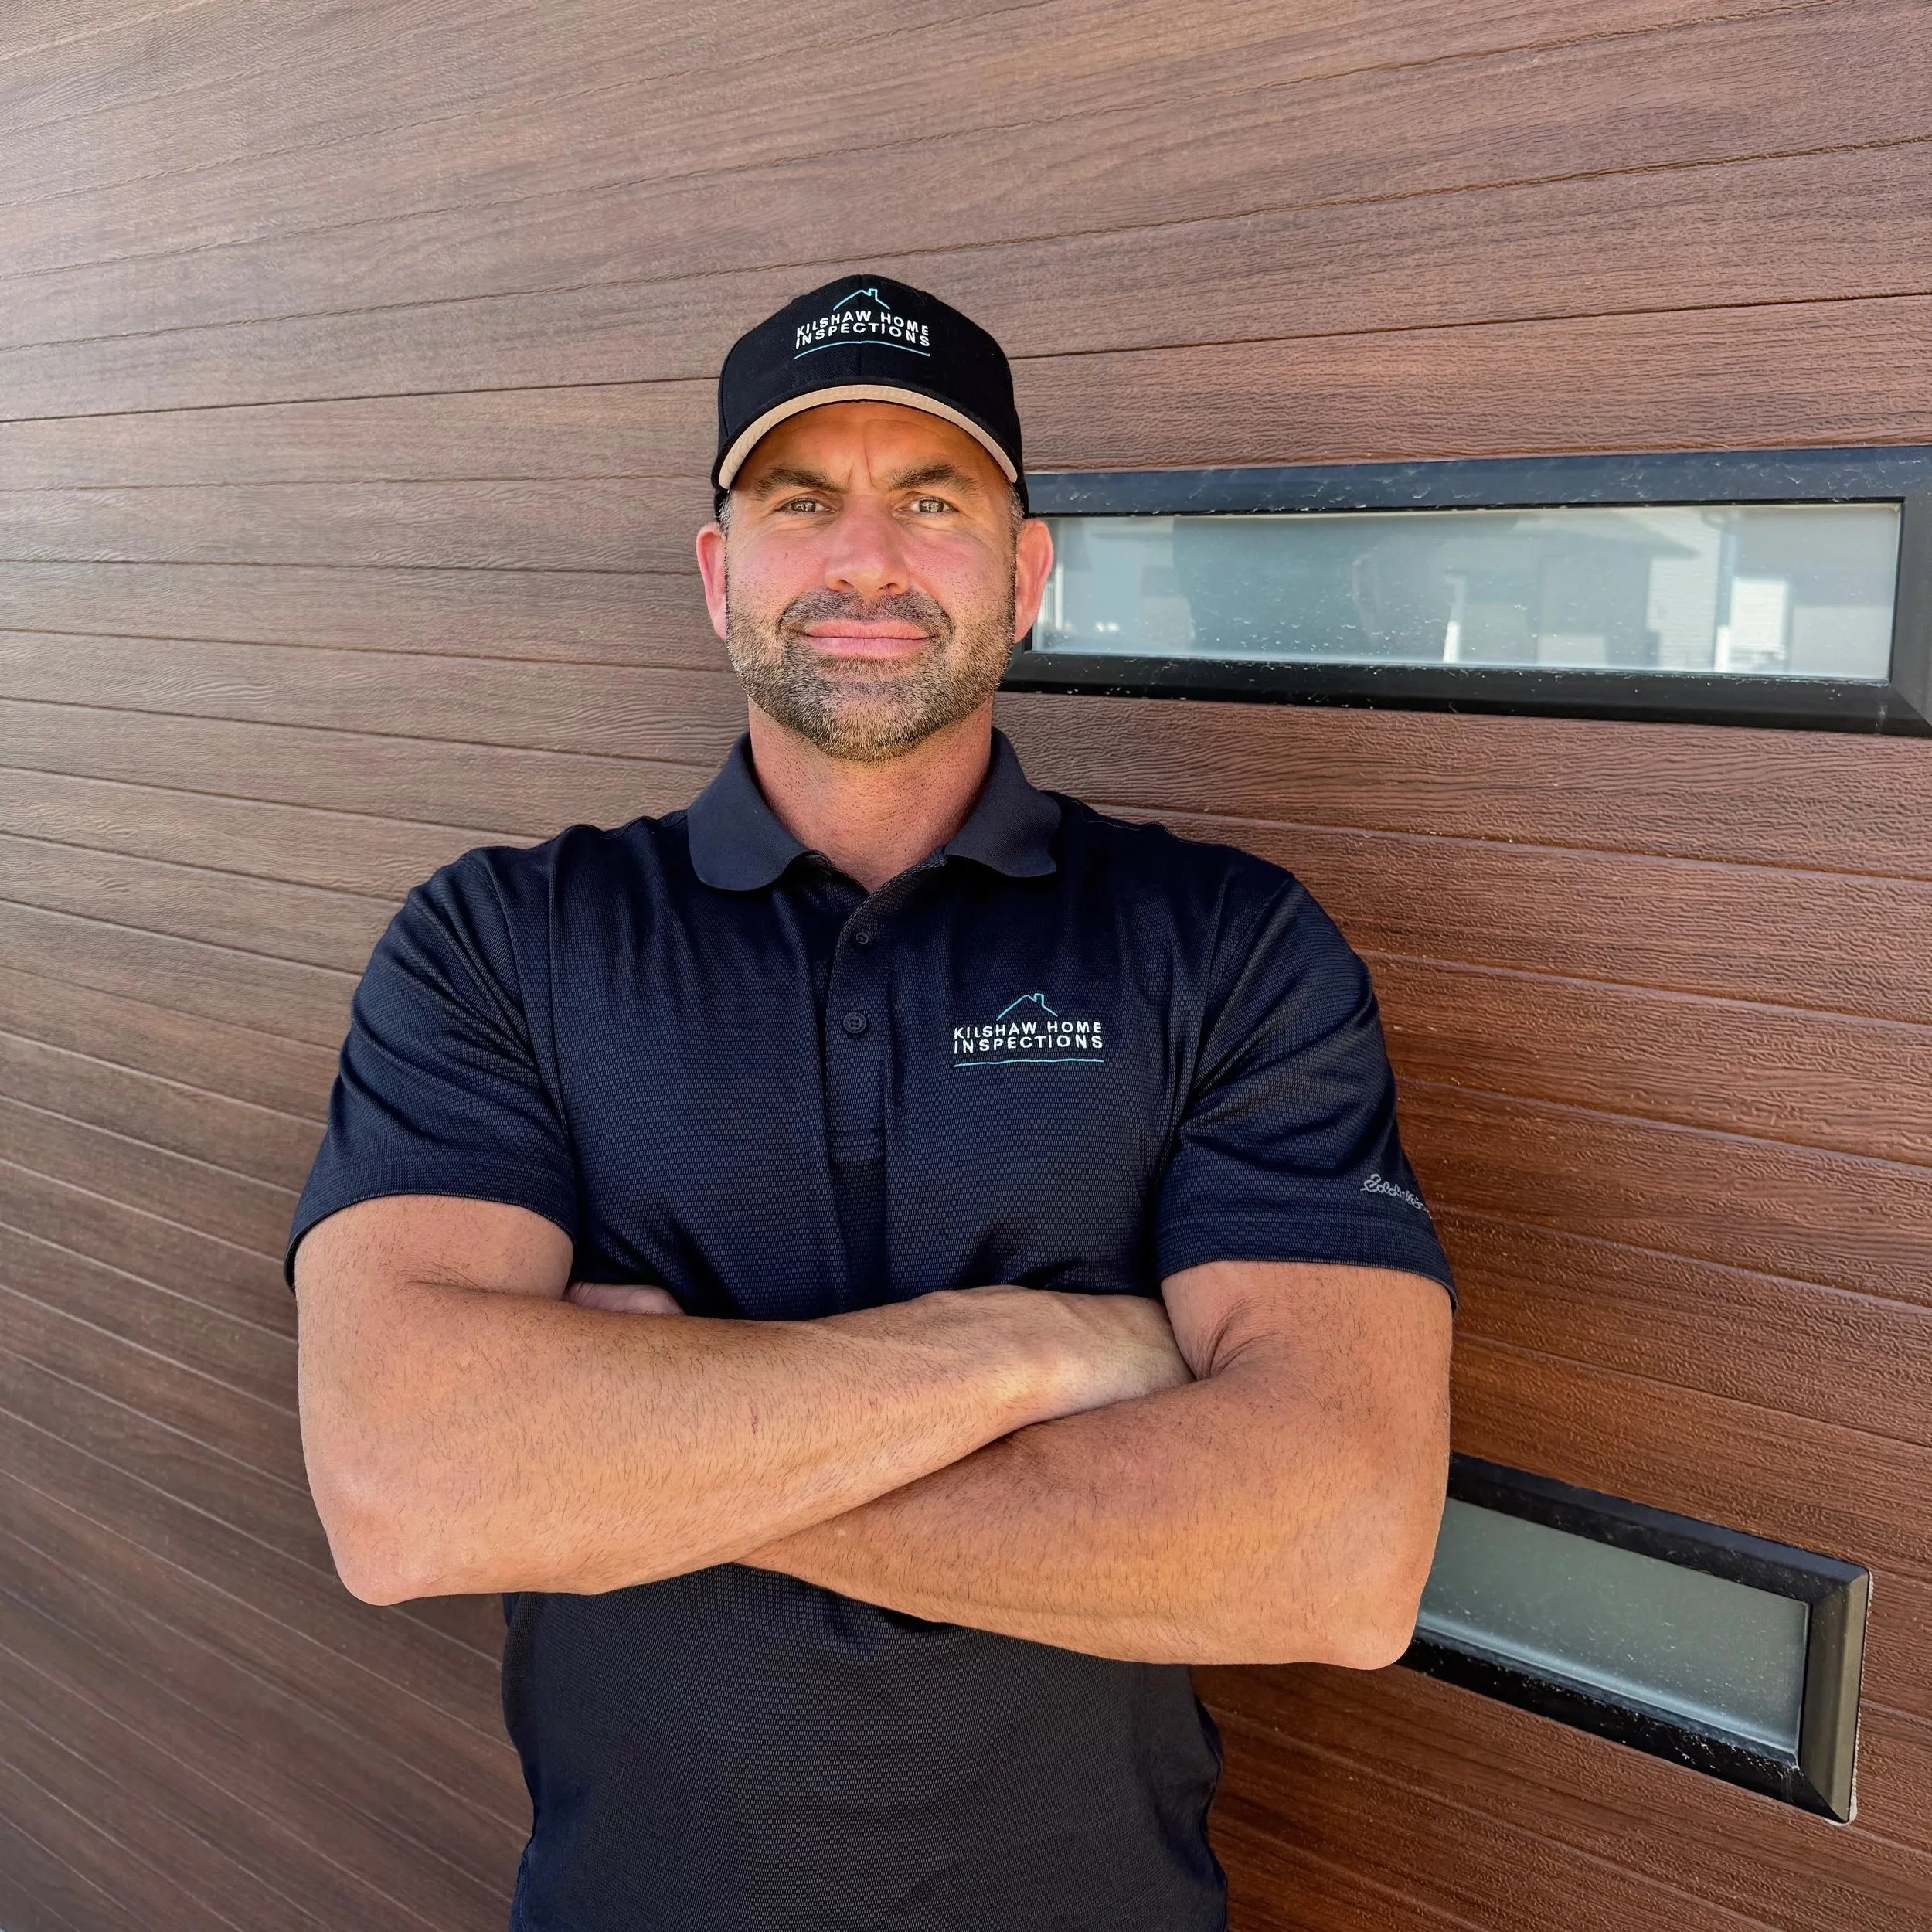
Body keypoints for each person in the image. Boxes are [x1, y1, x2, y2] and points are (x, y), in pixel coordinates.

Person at [288, 274, 1455, 1932]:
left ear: (1026, 573)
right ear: (716, 575)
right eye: (798, 501)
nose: (862, 558)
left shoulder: (1224, 943)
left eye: (930, 499)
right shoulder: (505, 939)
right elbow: (408, 1486)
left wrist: (630, 1451)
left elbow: (1340, 1553)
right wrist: (1033, 1350)